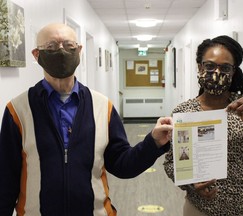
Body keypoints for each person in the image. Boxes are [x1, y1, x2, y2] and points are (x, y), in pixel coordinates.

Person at [0, 23, 173, 216]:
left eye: (68, 45)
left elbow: (123, 164)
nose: (61, 51)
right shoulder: (17, 110)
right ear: (36, 54)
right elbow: (5, 179)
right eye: (51, 47)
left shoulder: (102, 107)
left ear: (79, 51)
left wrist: (154, 142)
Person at [163, 35, 243, 216]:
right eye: (210, 66)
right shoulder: (185, 112)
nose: (216, 73)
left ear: (233, 72)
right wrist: (191, 183)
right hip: (201, 209)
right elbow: (172, 163)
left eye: (225, 68)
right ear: (200, 67)